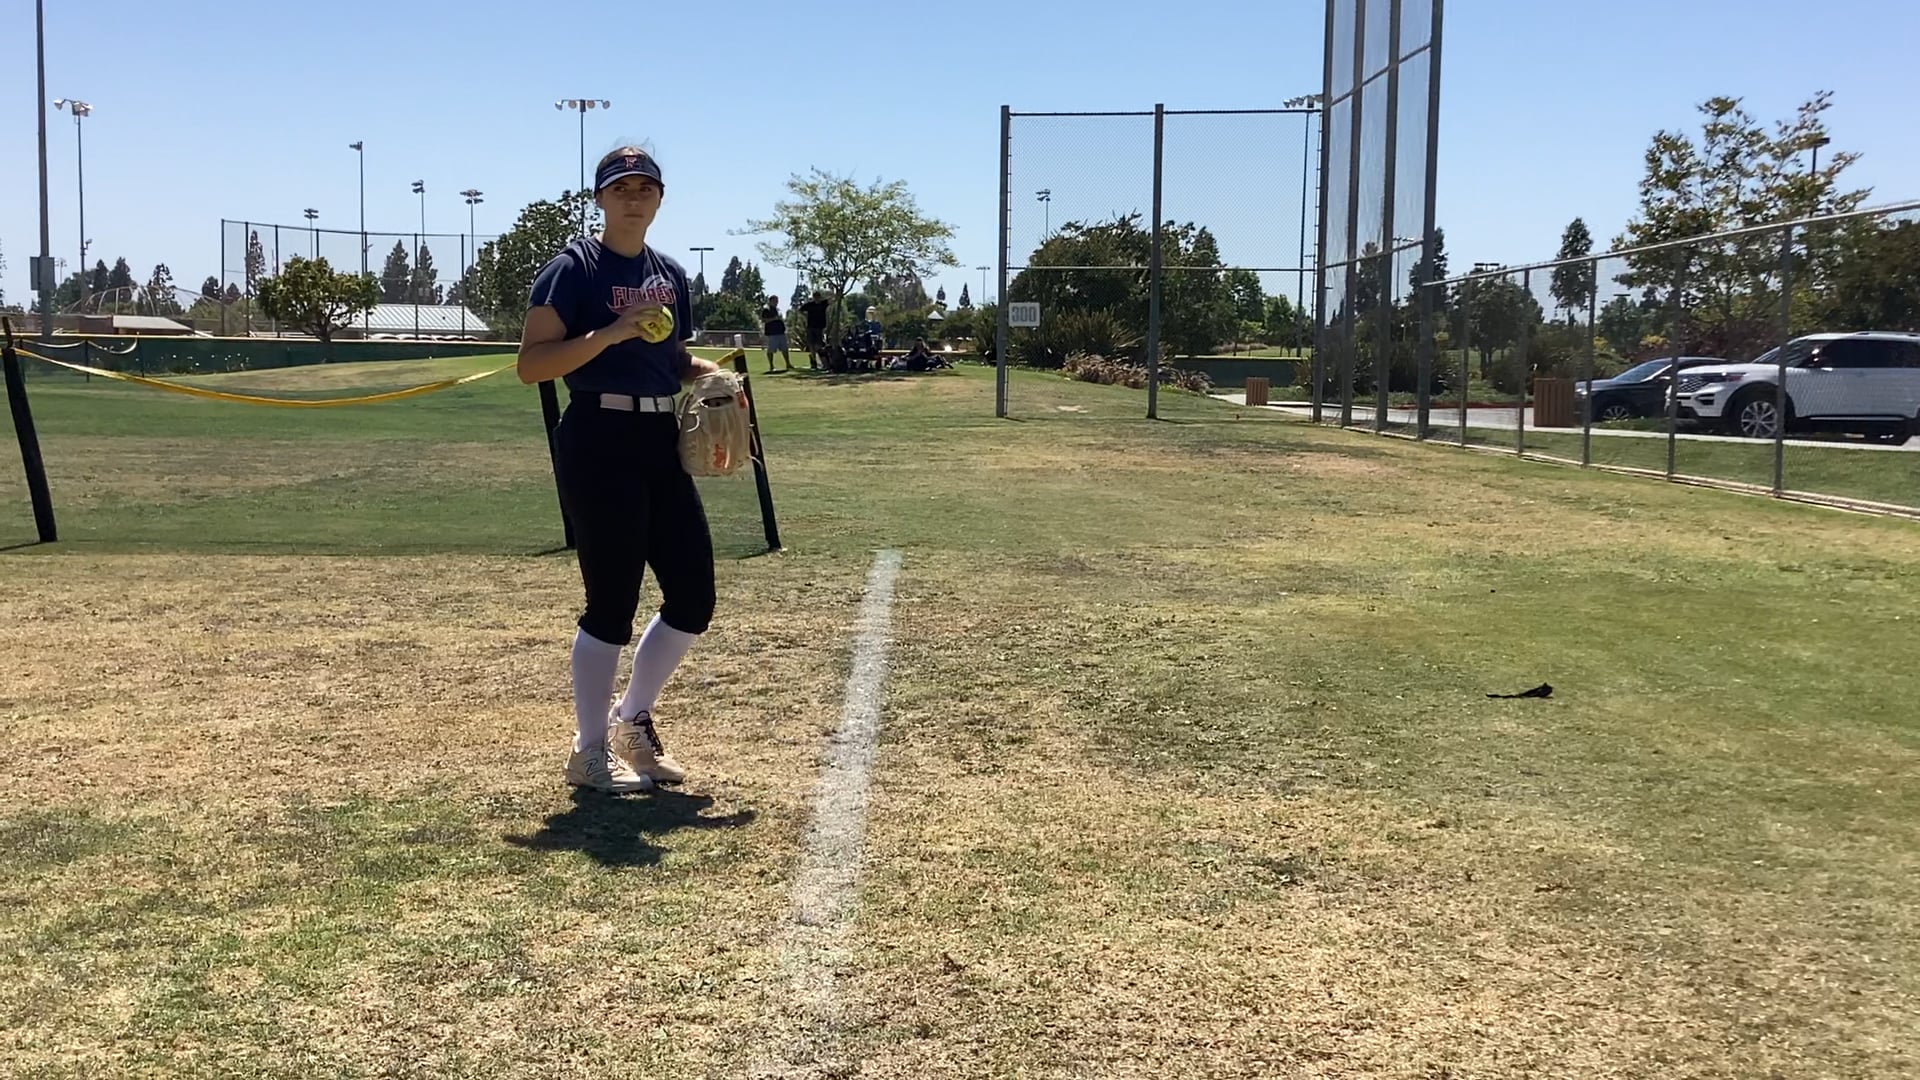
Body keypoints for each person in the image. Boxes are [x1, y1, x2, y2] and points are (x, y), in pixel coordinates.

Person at [516, 144, 723, 794]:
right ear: (601, 198)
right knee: (611, 602)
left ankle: (630, 720)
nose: (634, 197)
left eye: (645, 188)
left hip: (659, 437)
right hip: (598, 435)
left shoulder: (669, 274)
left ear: (659, 199)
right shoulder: (572, 269)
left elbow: (669, 358)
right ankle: (587, 754)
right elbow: (532, 364)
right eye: (621, 188)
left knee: (693, 595)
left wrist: (707, 375)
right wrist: (610, 332)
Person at [799, 290, 831, 370]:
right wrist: (805, 316)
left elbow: (832, 300)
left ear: (820, 297)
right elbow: (800, 310)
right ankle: (814, 361)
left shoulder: (823, 303)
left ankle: (822, 361)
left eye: (818, 297)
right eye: (815, 297)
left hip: (820, 327)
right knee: (811, 345)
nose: (816, 299)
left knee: (819, 345)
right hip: (811, 326)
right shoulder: (810, 305)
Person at [760, 294, 791, 373]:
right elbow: (764, 320)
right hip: (772, 333)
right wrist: (774, 319)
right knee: (771, 350)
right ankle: (771, 366)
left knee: (785, 349)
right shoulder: (767, 310)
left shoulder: (777, 310)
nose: (776, 302)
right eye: (775, 301)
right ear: (770, 301)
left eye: (777, 301)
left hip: (780, 332)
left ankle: (788, 364)